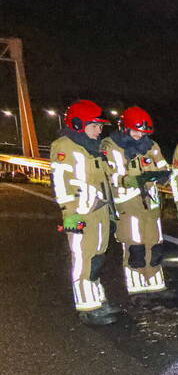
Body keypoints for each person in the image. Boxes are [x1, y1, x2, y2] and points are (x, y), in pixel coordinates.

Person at [49, 100, 122, 325]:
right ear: (79, 124)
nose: (99, 130)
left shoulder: (95, 148)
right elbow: (61, 183)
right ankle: (87, 308)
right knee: (82, 258)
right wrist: (69, 213)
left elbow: (106, 180)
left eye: (100, 126)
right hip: (78, 214)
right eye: (95, 125)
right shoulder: (65, 146)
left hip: (99, 211)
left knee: (97, 256)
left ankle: (98, 300)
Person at [102, 106, 172, 297]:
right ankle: (137, 287)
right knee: (135, 244)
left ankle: (156, 284)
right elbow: (110, 175)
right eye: (135, 131)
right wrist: (128, 180)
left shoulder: (151, 145)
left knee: (155, 243)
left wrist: (164, 175)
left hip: (151, 202)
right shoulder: (111, 146)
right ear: (124, 127)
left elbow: (163, 166)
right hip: (127, 202)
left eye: (143, 132)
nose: (139, 135)